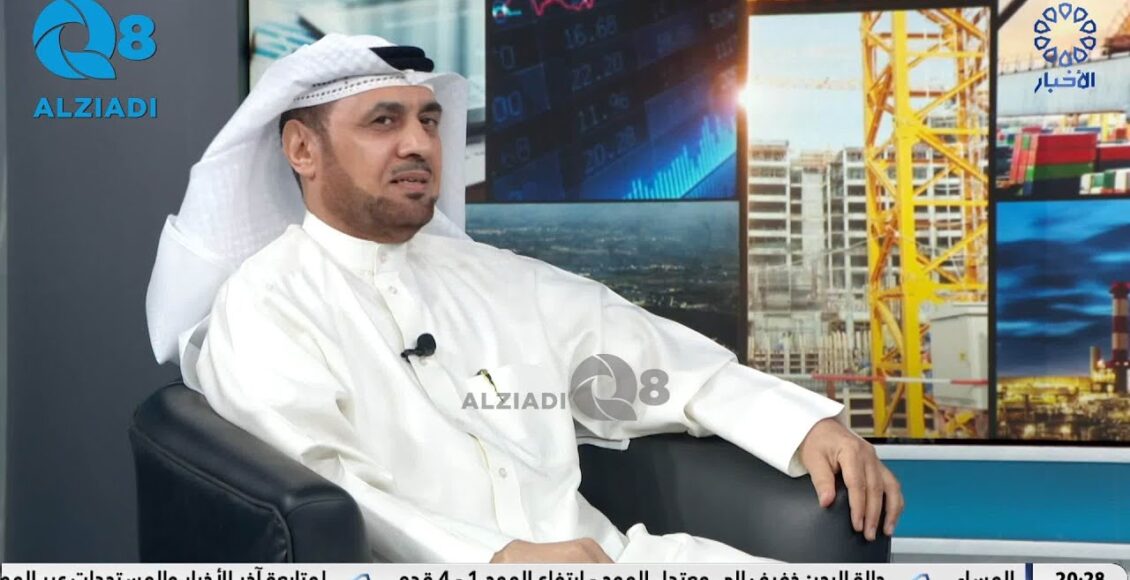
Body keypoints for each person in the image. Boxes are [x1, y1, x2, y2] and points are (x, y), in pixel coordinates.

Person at [145, 34, 903, 564]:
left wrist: (803, 425)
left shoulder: (493, 277)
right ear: (302, 150)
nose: (419, 144)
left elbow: (646, 356)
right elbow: (327, 488)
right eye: (384, 122)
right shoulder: (266, 304)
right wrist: (497, 556)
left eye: (428, 120)